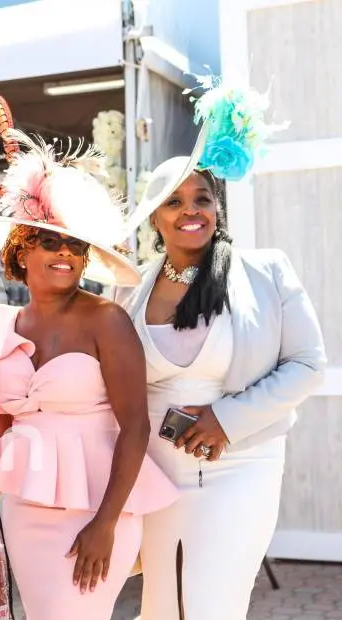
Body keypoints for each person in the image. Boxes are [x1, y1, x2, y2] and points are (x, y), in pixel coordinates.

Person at [0, 94, 178, 619]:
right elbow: (3, 422)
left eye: (76, 248)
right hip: (25, 513)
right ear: (22, 250)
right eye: (52, 242)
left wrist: (106, 523)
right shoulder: (5, 326)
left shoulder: (105, 320)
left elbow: (136, 426)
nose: (65, 255)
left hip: (97, 511)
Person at [117, 75, 326, 620]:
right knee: (163, 606)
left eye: (202, 198)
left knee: (211, 605)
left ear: (217, 205)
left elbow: (307, 365)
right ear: (156, 217)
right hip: (158, 474)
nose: (192, 211)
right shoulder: (129, 289)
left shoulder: (265, 271)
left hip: (242, 462)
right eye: (175, 202)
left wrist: (226, 419)